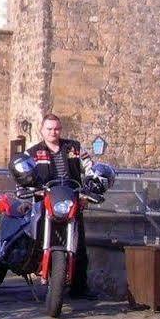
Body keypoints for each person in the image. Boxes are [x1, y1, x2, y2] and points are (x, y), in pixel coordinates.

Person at [24, 113, 96, 299]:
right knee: (37, 239)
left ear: (60, 129)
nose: (53, 132)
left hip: (71, 201)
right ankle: (40, 271)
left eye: (56, 128)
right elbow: (22, 172)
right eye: (49, 128)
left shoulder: (74, 148)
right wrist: (27, 188)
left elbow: (90, 168)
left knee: (78, 244)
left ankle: (80, 287)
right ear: (42, 130)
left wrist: (90, 189)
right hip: (45, 202)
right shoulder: (32, 153)